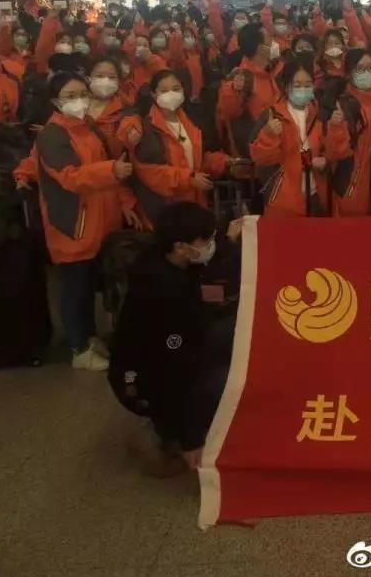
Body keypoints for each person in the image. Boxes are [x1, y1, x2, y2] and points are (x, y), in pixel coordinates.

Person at [109, 201, 239, 475]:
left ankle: (178, 426)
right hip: (146, 379)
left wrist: (229, 239)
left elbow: (210, 265)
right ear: (181, 246)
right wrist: (192, 440)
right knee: (226, 379)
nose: (211, 245)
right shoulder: (163, 295)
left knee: (236, 331)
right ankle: (165, 432)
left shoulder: (170, 258)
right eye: (206, 240)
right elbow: (172, 372)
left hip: (178, 348)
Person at [35, 72, 137, 371]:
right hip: (74, 225)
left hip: (100, 221)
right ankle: (78, 348)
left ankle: (90, 338)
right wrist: (111, 171)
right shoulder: (53, 135)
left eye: (82, 93)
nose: (79, 100)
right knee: (75, 289)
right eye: (70, 95)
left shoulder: (89, 127)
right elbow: (70, 177)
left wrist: (122, 200)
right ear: (55, 101)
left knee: (88, 286)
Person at [123, 70, 230, 227]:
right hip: (164, 207)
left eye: (176, 89)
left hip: (194, 203)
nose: (171, 94)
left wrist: (223, 162)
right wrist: (188, 179)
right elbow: (149, 172)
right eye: (164, 90)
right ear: (153, 94)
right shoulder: (145, 127)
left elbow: (197, 160)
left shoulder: (190, 121)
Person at [249, 57, 326, 217]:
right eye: (297, 85)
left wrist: (325, 159)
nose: (303, 89)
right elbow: (261, 159)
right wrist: (269, 135)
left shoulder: (320, 114)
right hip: (283, 200)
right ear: (286, 87)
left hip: (315, 195)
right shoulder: (272, 115)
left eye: (308, 85)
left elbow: (331, 148)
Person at [322, 49, 371, 217]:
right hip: (349, 183)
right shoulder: (343, 105)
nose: (367, 72)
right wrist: (336, 127)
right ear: (349, 74)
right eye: (360, 68)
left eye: (370, 67)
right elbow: (334, 153)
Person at [217, 23, 281, 157]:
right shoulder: (242, 80)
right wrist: (232, 90)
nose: (274, 41)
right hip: (257, 155)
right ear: (260, 48)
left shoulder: (270, 71)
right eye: (269, 38)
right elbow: (227, 114)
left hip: (276, 147)